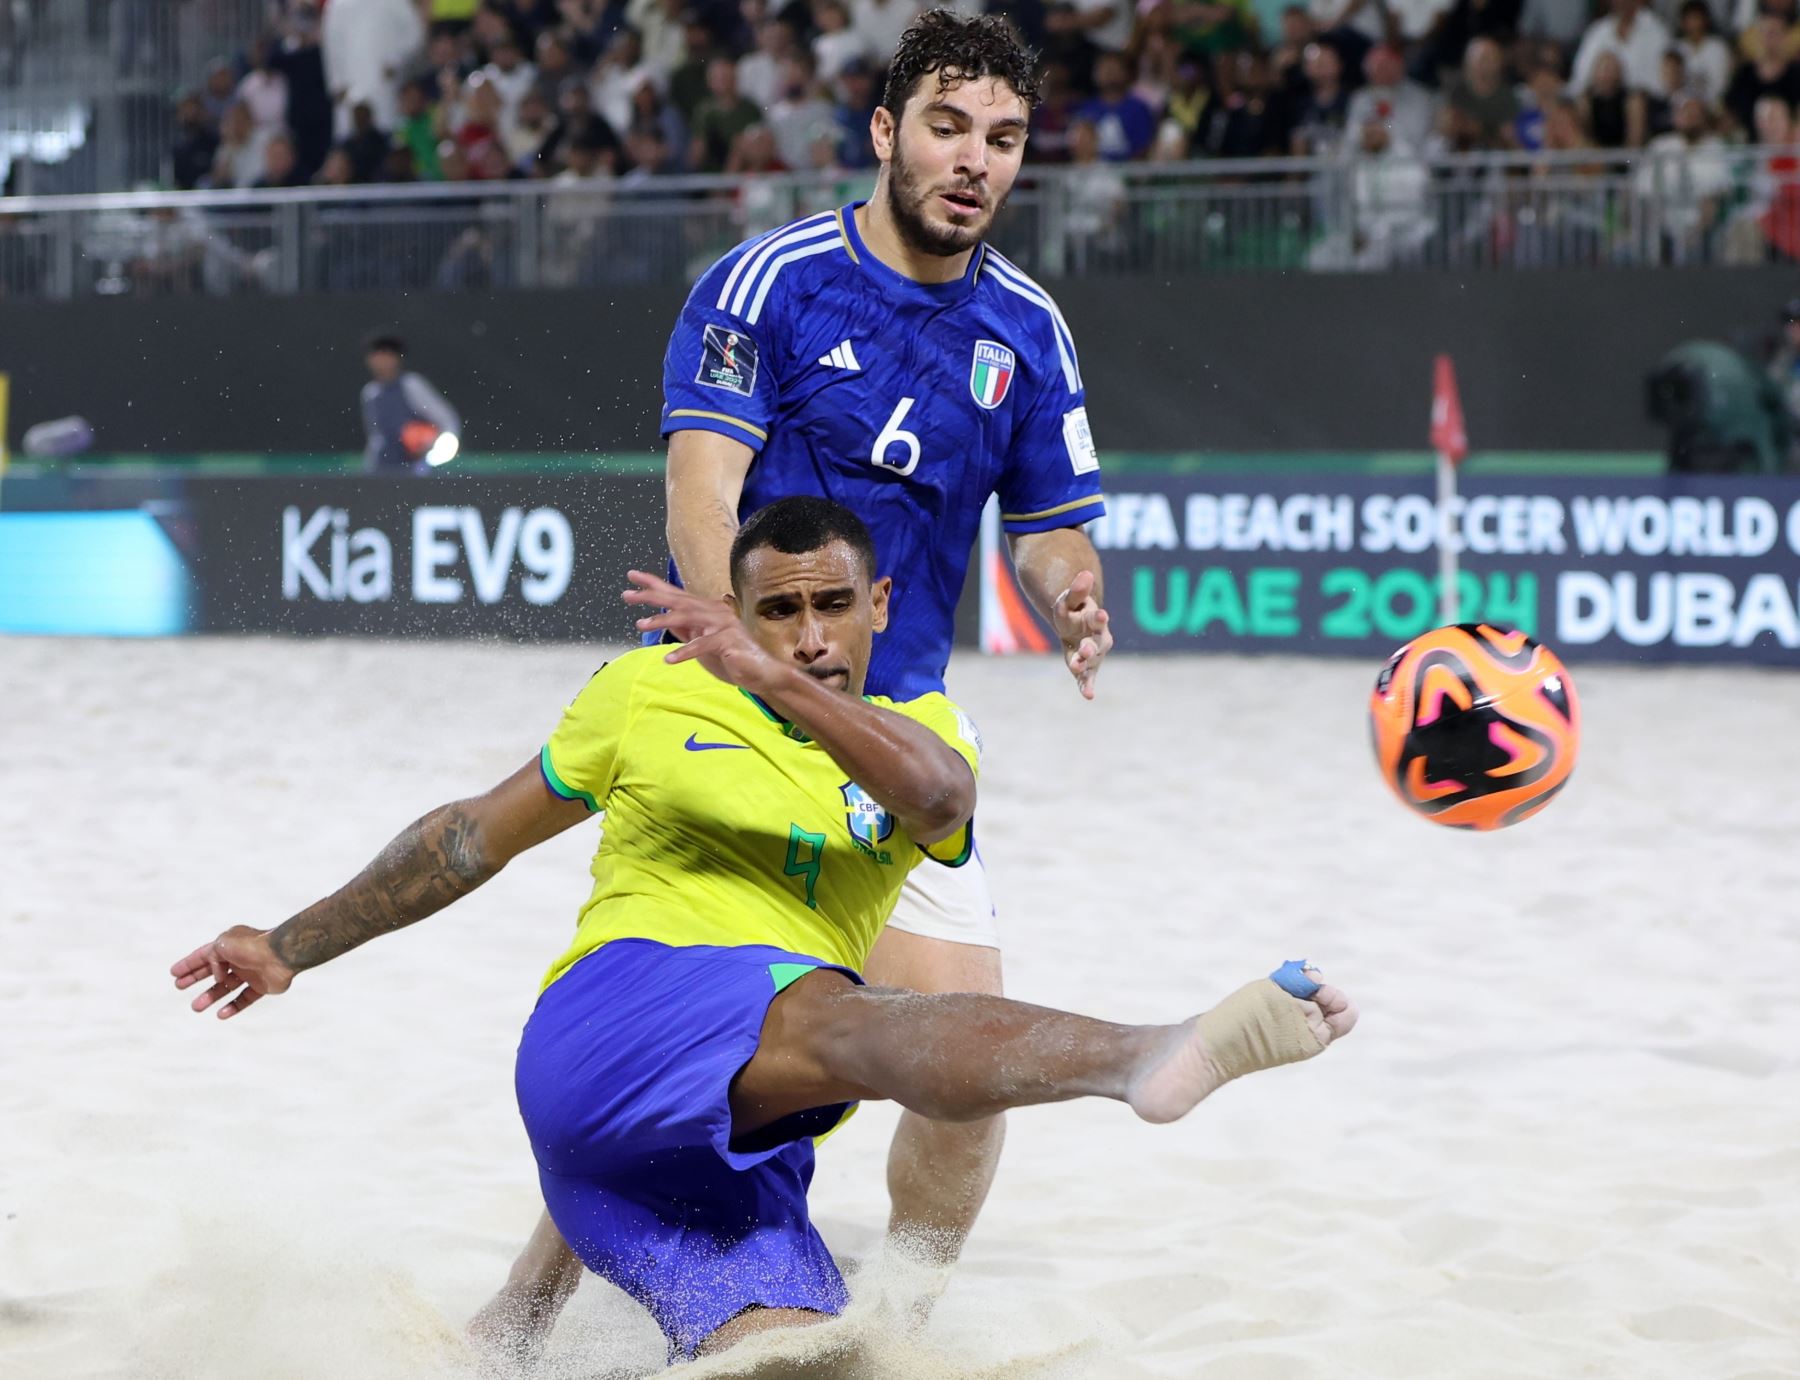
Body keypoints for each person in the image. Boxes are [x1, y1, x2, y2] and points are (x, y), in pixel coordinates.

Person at [172, 497, 1358, 1365]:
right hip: (612, 1025)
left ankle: (507, 1334)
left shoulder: (925, 729)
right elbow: (471, 836)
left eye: (831, 607)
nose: (806, 635)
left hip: (709, 1147)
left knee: (800, 1360)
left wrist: (787, 687)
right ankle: (1140, 1057)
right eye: (776, 613)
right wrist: (288, 943)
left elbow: (943, 804)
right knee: (852, 1021)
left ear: (880, 605)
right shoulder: (648, 693)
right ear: (733, 615)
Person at [471, 7, 1126, 1361]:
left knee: (964, 1081)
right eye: (948, 126)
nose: (975, 159)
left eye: (1003, 138)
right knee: (691, 1031)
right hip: (730, 711)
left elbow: (1050, 517)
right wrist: (741, 655)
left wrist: (1071, 590)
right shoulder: (764, 283)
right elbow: (699, 485)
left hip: (893, 742)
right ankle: (527, 1304)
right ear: (886, 133)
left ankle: (893, 1321)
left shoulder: (1026, 328)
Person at [359, 334, 462, 473]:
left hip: (415, 471)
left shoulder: (411, 385)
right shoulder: (370, 393)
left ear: (398, 358)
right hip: (382, 469)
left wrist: (432, 453)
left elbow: (448, 422)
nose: (382, 360)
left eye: (388, 354)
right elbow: (376, 438)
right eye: (377, 354)